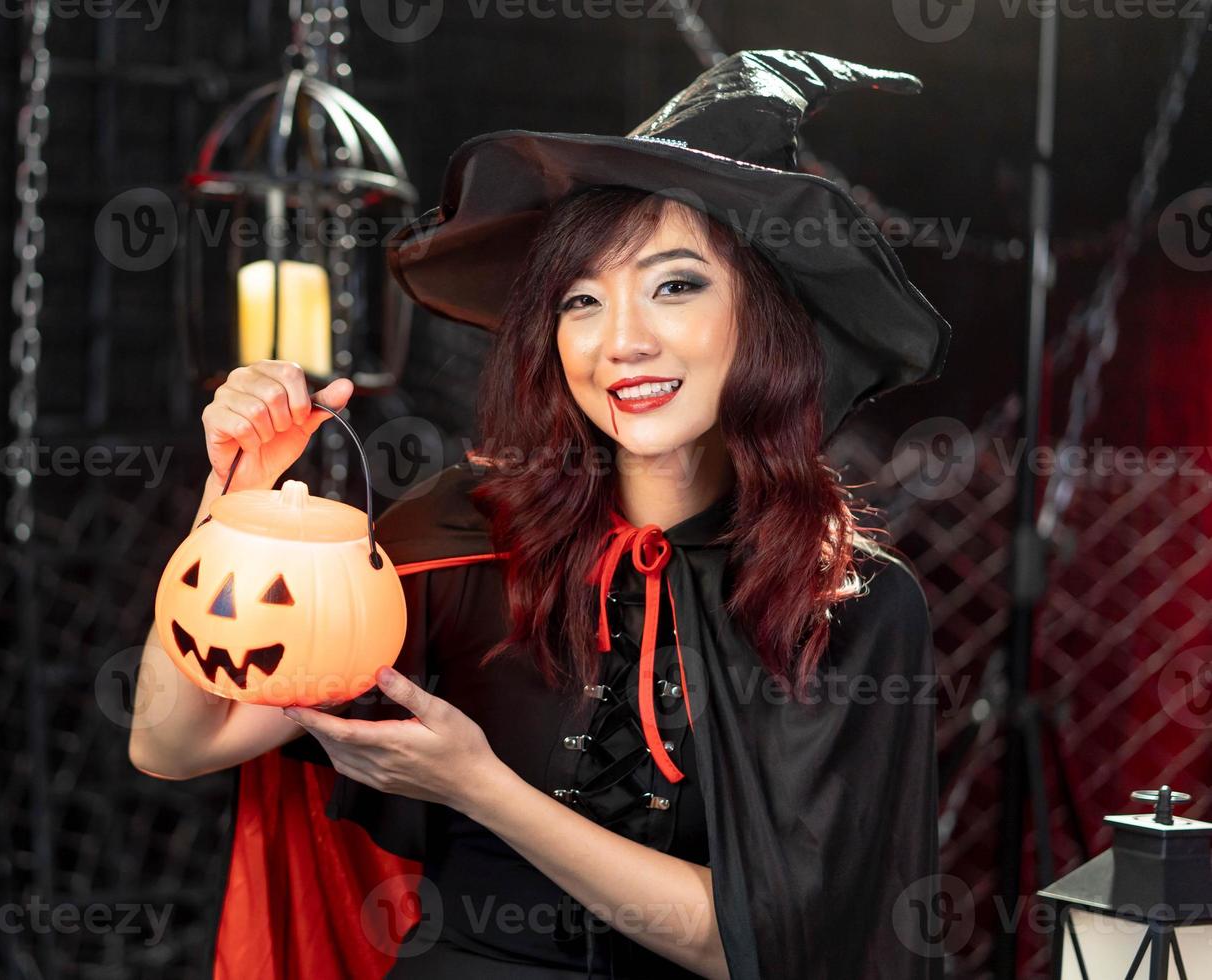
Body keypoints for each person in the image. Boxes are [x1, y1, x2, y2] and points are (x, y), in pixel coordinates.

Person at [131, 50, 952, 980]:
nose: (622, 341)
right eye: (582, 301)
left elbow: (765, 943)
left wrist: (478, 786)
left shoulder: (849, 605)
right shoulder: (457, 536)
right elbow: (173, 739)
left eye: (675, 284)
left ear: (765, 315)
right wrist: (232, 504)